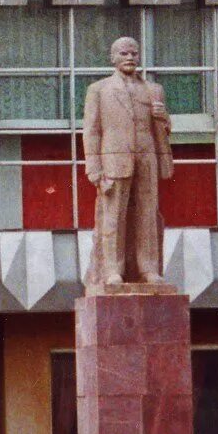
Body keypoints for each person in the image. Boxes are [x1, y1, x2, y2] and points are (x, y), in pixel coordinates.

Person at [80, 35, 174, 289]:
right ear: (113, 58)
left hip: (147, 158)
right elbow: (92, 130)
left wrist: (164, 117)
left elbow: (163, 130)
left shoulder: (153, 90)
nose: (130, 57)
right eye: (124, 53)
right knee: (113, 217)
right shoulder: (99, 90)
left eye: (133, 53)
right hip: (114, 160)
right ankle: (113, 270)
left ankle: (149, 269)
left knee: (148, 215)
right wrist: (94, 168)